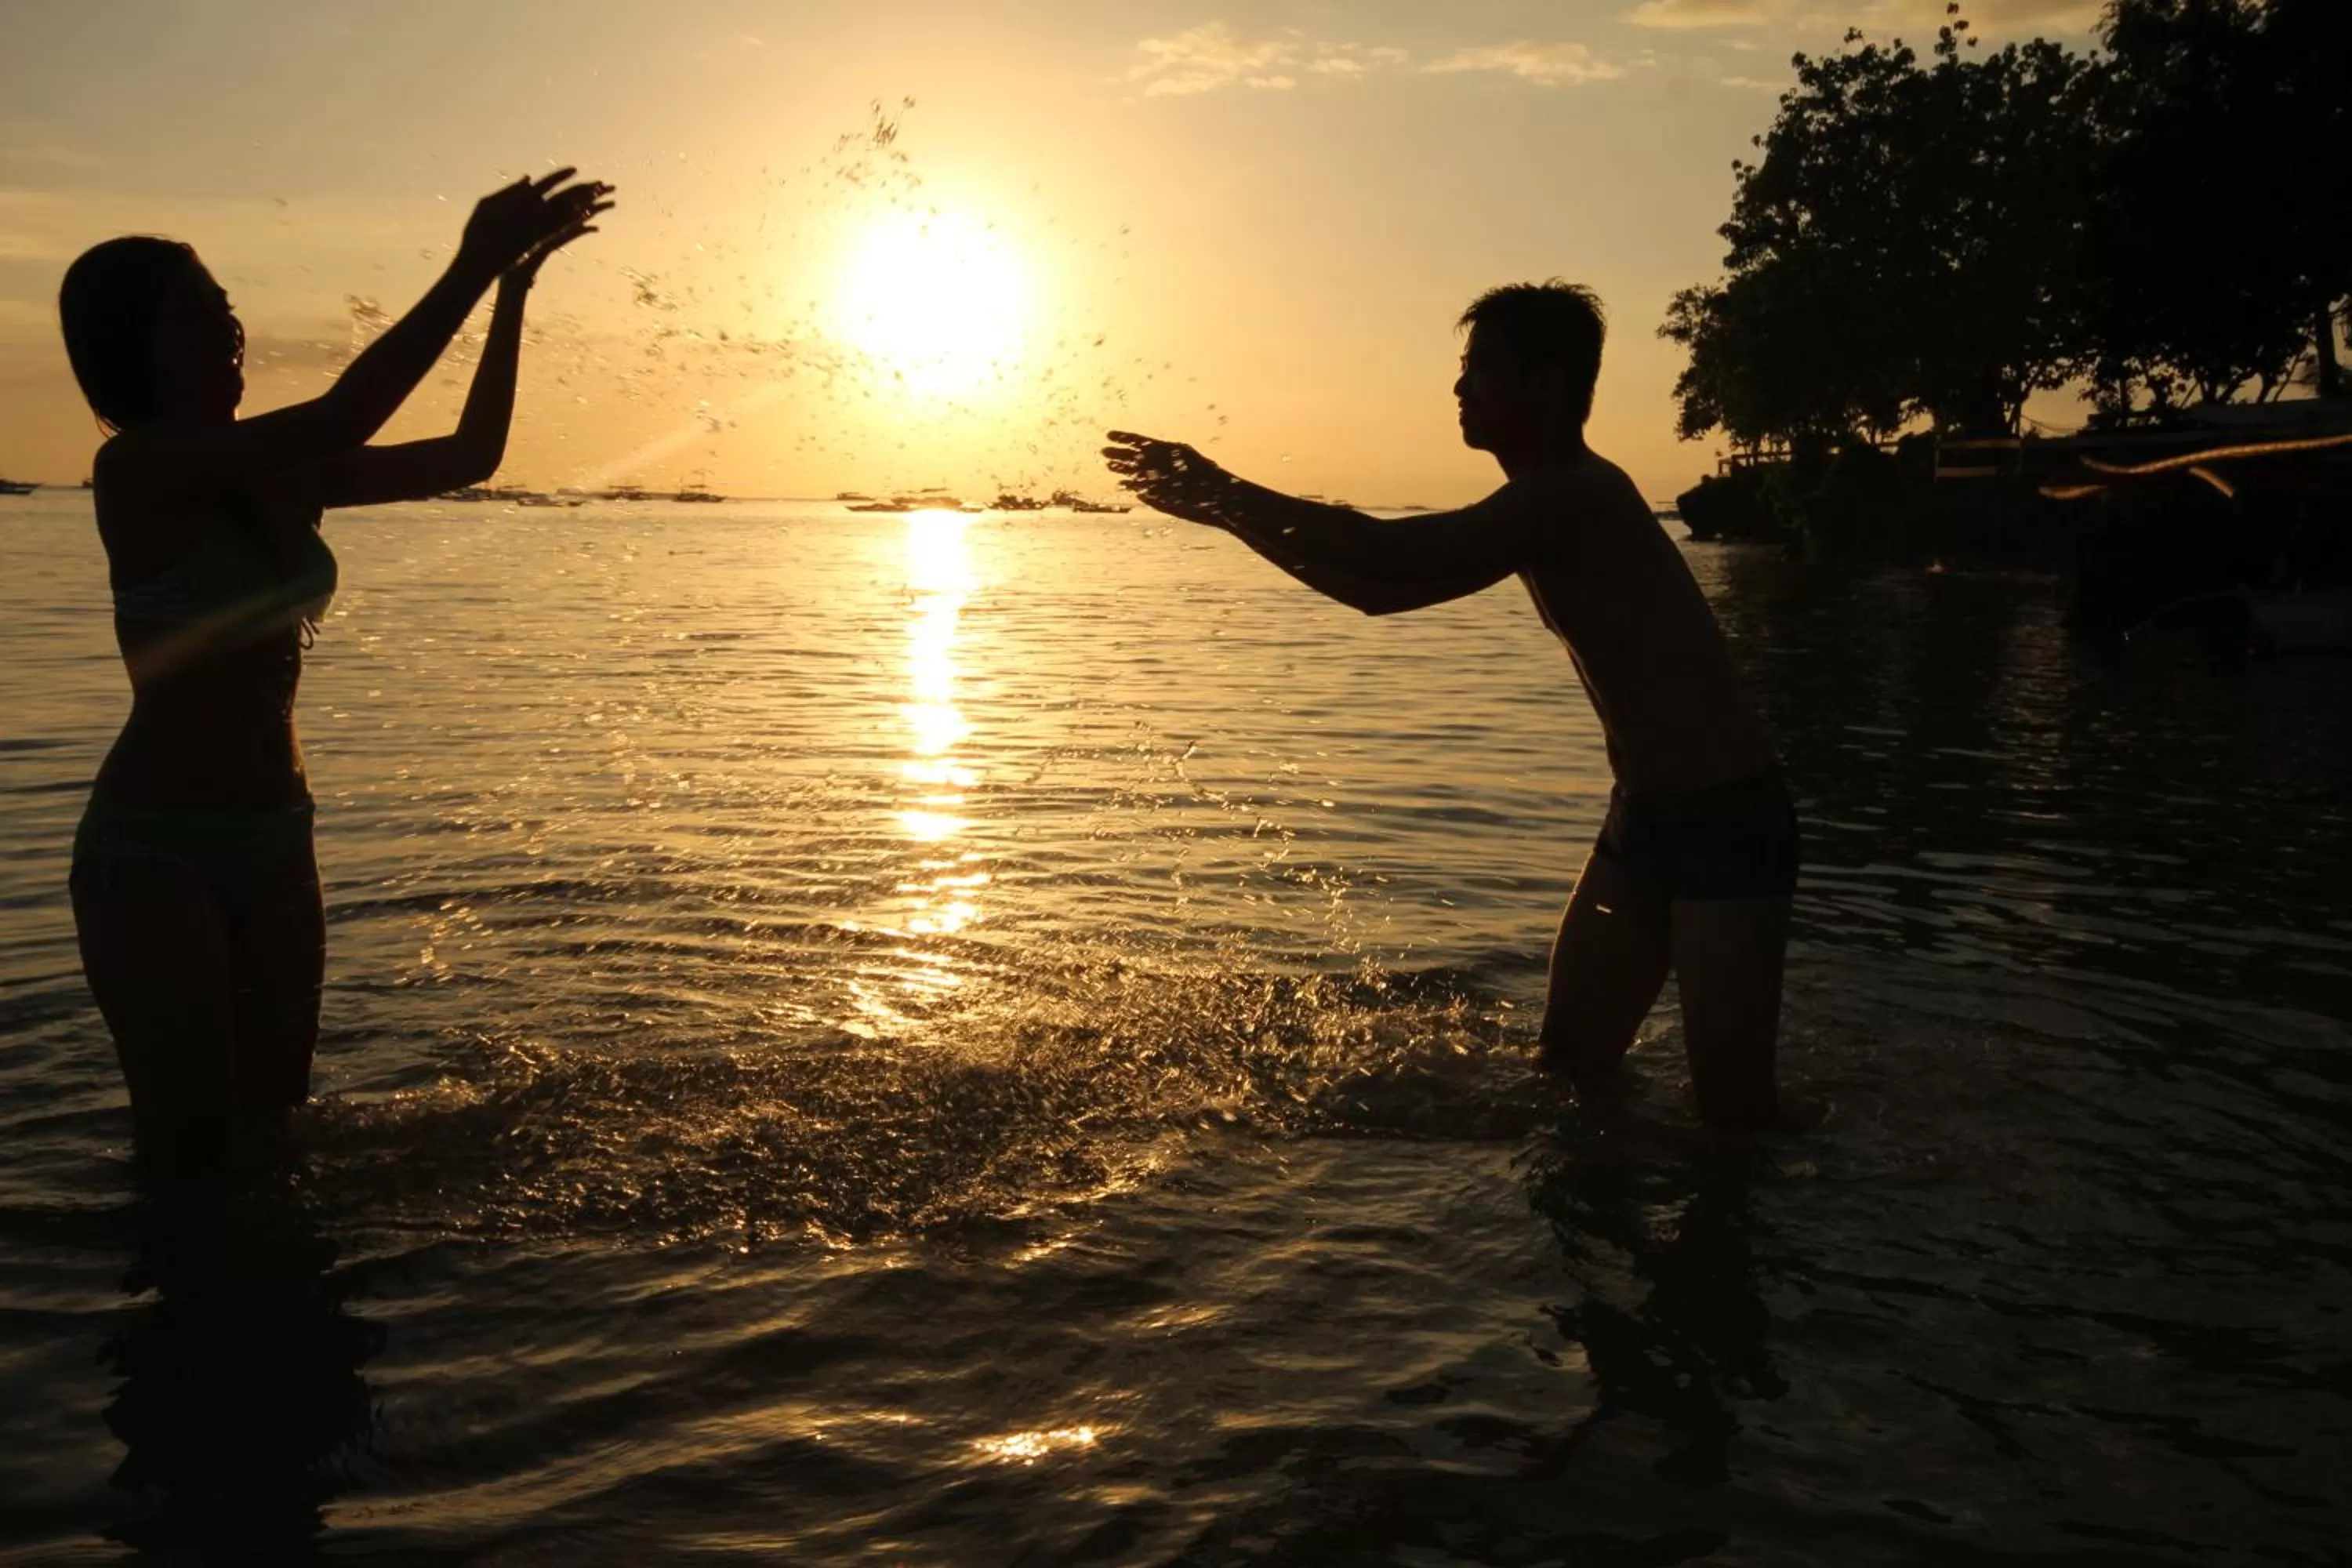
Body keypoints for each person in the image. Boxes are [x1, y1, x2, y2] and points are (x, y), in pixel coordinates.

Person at [1102, 281, 1802, 1132]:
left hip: (1728, 820)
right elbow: (1375, 591)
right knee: (1570, 1077)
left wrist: (1225, 490)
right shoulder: (1538, 509)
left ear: (1544, 386)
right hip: (1645, 821)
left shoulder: (1573, 495)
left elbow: (1389, 549)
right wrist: (1223, 513)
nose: (1460, 388)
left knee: (1738, 1125)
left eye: (1478, 369)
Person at [60, 169, 614, 1174]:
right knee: (188, 1158)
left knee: (273, 1138)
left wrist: (512, 293)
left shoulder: (279, 471)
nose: (224, 323)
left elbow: (470, 454)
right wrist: (470, 262)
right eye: (191, 312)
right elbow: (347, 411)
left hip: (277, 835)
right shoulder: (137, 469)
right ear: (129, 344)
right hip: (154, 854)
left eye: (222, 302)